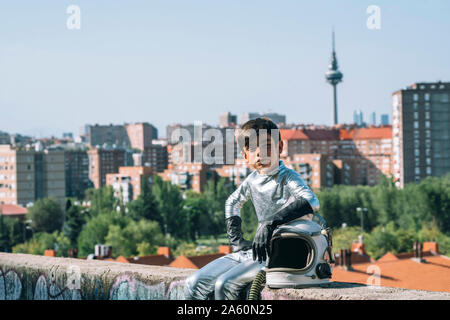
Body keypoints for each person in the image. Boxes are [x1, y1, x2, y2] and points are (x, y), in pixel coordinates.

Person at [184, 117, 320, 300]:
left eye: (267, 146)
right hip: (254, 252)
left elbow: (311, 201)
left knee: (225, 285)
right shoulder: (252, 180)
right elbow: (232, 202)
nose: (260, 154)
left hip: (281, 253)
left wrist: (271, 223)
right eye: (253, 148)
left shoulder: (287, 177)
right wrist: (236, 240)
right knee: (193, 283)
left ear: (280, 148)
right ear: (245, 155)